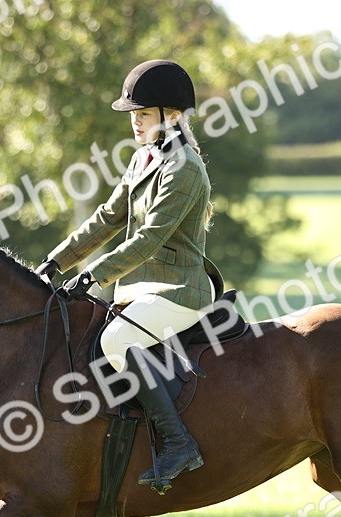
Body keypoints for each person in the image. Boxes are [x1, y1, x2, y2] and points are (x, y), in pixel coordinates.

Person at [37, 59, 218, 487]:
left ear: (172, 115)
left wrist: (93, 275)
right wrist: (56, 262)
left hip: (180, 291)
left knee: (116, 339)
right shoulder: (143, 159)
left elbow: (150, 239)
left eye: (144, 114)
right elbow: (106, 218)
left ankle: (178, 443)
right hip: (142, 290)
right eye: (134, 114)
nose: (135, 122)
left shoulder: (185, 168)